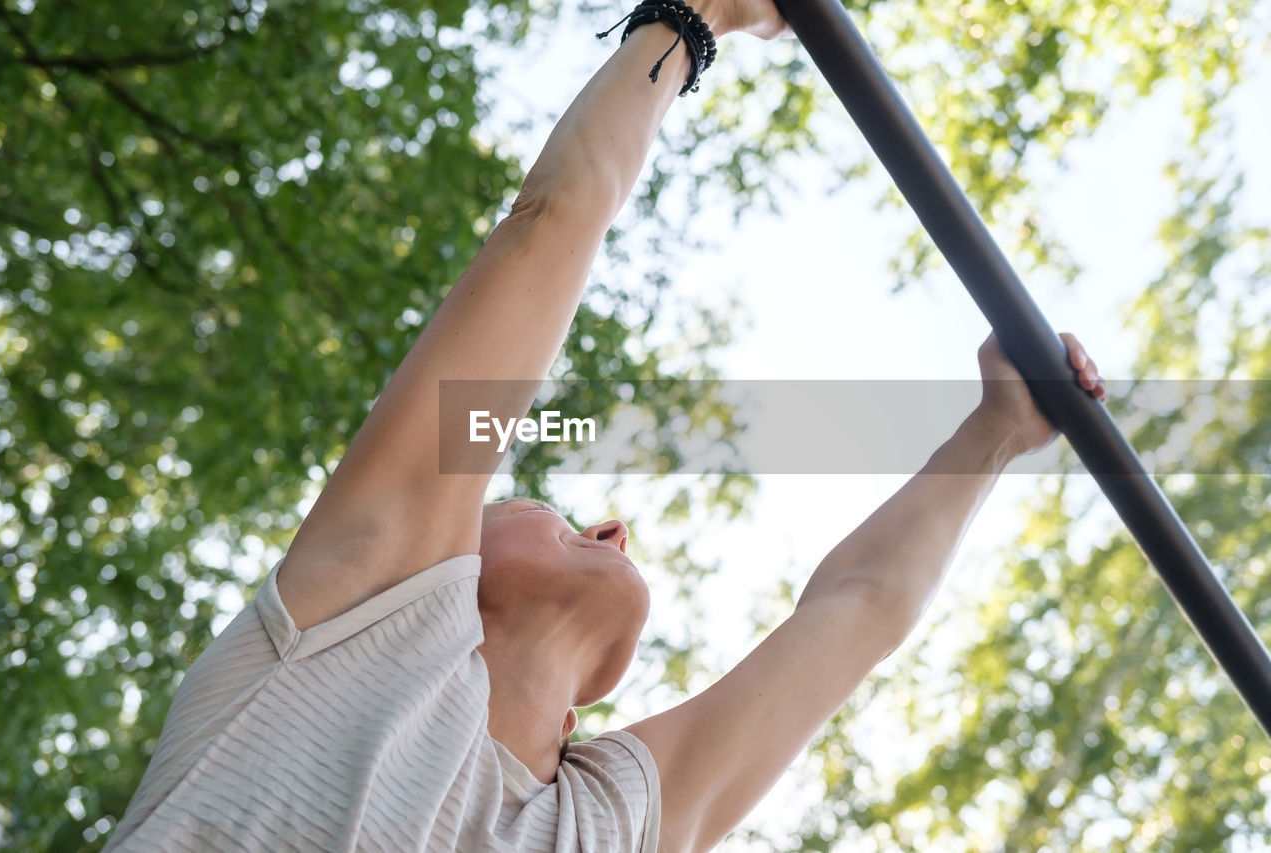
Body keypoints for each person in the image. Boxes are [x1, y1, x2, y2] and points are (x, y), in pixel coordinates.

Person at [105, 0, 1108, 849]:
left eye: (553, 507)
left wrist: (992, 435)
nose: (612, 525)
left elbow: (854, 610)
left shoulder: (599, 821)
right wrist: (694, 18)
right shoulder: (372, 611)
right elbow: (555, 215)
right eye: (547, 503)